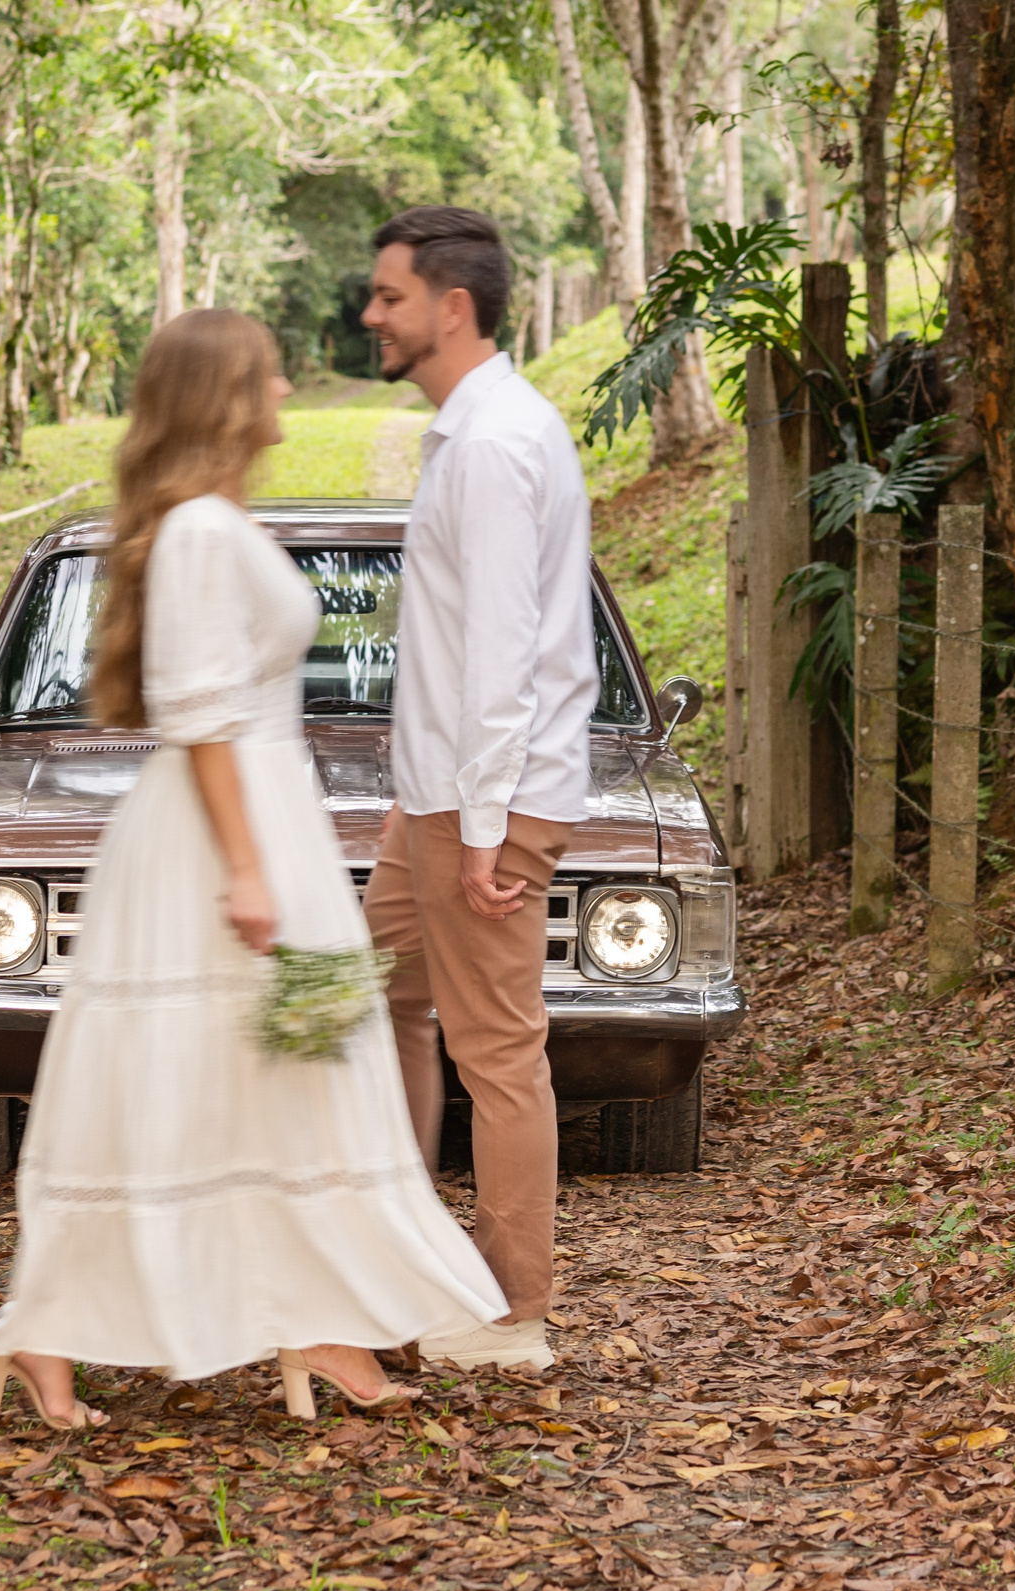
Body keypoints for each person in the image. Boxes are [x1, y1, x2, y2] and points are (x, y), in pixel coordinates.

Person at [0, 308, 507, 1430]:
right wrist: (248, 869)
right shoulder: (199, 535)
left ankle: (311, 1316)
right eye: (265, 378)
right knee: (195, 1083)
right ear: (222, 398)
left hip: (272, 819)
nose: (283, 395)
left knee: (289, 1077)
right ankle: (47, 1327)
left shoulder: (210, 523)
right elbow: (203, 715)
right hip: (228, 836)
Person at [358, 207, 595, 1373]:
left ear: (451, 308)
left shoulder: (498, 443)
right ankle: (398, 1257)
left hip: (483, 802)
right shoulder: (469, 432)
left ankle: (511, 1316)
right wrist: (423, 804)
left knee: (496, 1050)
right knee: (372, 1001)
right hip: (440, 798)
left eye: (389, 296)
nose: (371, 315)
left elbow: (503, 654)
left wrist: (485, 830)